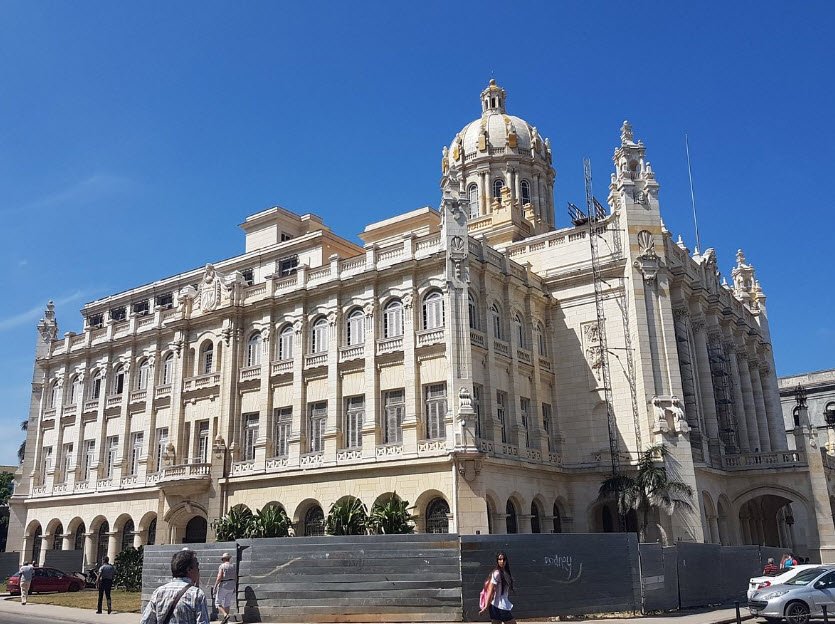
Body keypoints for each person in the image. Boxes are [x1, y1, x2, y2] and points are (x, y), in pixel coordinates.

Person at [140, 549, 209, 624]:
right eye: (197, 566)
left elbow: (146, 621)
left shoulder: (159, 592)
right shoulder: (196, 594)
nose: (198, 570)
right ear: (189, 569)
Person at [478, 551, 516, 624]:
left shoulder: (504, 572)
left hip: (495, 607)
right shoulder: (497, 573)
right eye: (500, 559)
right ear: (497, 561)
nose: (502, 561)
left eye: (504, 559)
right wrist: (486, 606)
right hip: (501, 607)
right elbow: (490, 590)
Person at [214, 552, 236, 624]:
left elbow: (219, 577)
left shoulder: (222, 566)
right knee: (227, 603)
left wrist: (215, 585)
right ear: (229, 559)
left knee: (217, 603)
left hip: (224, 584)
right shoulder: (233, 566)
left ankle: (225, 615)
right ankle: (226, 621)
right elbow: (235, 577)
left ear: (223, 559)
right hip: (232, 585)